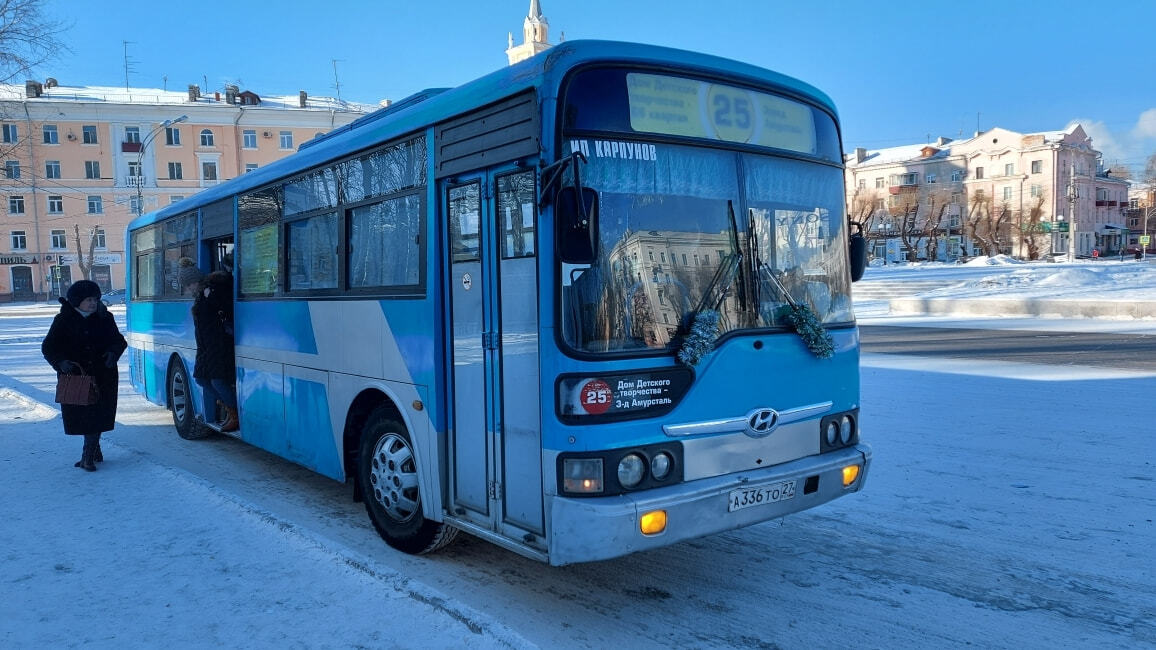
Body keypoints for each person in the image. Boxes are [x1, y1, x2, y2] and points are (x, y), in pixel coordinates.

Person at [41, 280, 128, 472]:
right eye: (88, 299)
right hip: (75, 377)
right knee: (84, 417)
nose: (93, 303)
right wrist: (61, 363)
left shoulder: (105, 317)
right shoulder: (63, 320)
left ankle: (87, 457)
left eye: (95, 299)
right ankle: (95, 450)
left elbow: (119, 341)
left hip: (102, 375)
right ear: (77, 301)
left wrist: (113, 354)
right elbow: (49, 347)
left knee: (96, 415)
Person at [178, 257, 239, 432]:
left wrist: (210, 298)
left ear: (196, 281)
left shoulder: (213, 291)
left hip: (219, 345)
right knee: (200, 379)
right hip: (205, 346)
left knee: (217, 381)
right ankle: (228, 408)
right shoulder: (200, 296)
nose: (188, 289)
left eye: (189, 285)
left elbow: (226, 310)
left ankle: (235, 414)